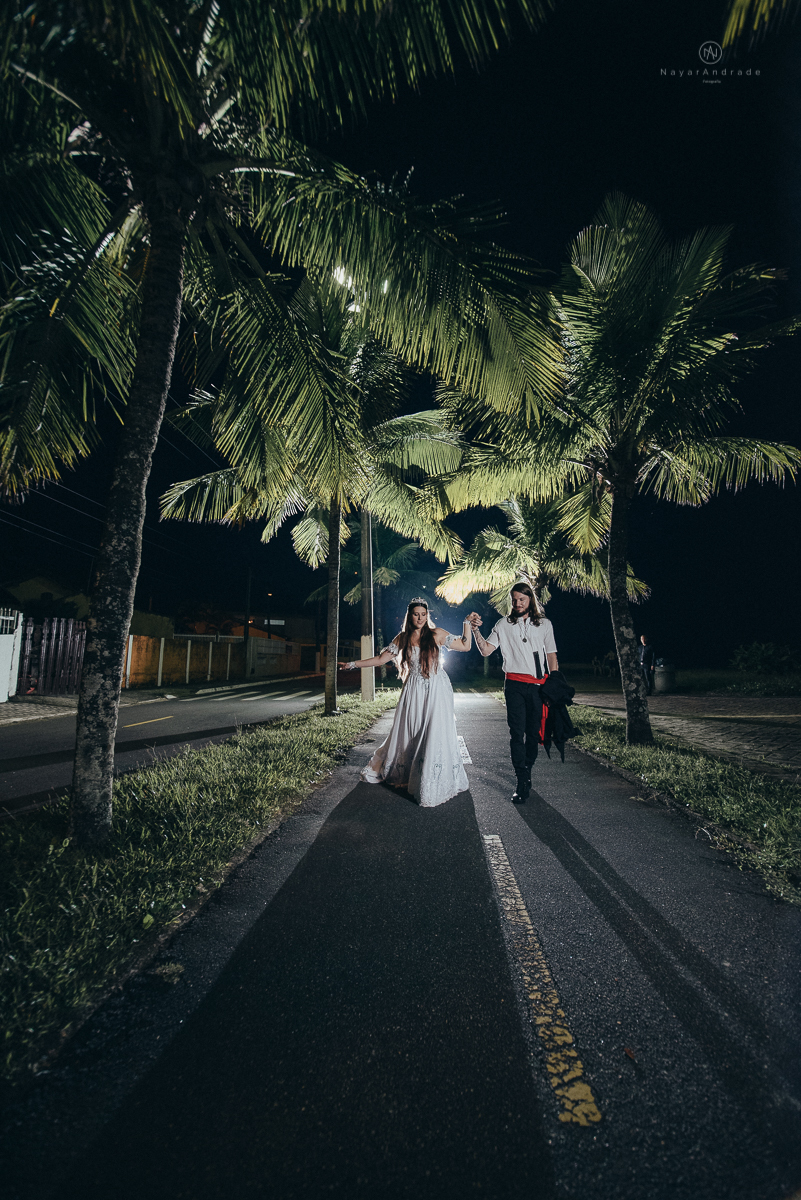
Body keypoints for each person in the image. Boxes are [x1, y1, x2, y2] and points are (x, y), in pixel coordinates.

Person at [341, 598, 478, 808]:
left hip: (437, 689)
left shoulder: (437, 634)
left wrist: (466, 623)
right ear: (409, 616)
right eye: (416, 614)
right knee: (411, 730)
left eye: (423, 614)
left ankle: (431, 778)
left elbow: (466, 646)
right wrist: (352, 664)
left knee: (434, 730)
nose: (420, 618)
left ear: (427, 615)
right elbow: (380, 659)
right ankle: (409, 773)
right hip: (413, 689)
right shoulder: (402, 638)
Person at [470, 581, 558, 803]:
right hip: (514, 685)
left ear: (530, 600)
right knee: (516, 733)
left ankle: (527, 770)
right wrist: (475, 630)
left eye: (522, 599)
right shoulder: (503, 624)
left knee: (533, 733)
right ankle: (521, 780)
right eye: (515, 600)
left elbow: (551, 656)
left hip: (538, 686)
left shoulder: (545, 624)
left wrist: (554, 684)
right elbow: (486, 650)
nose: (518, 603)